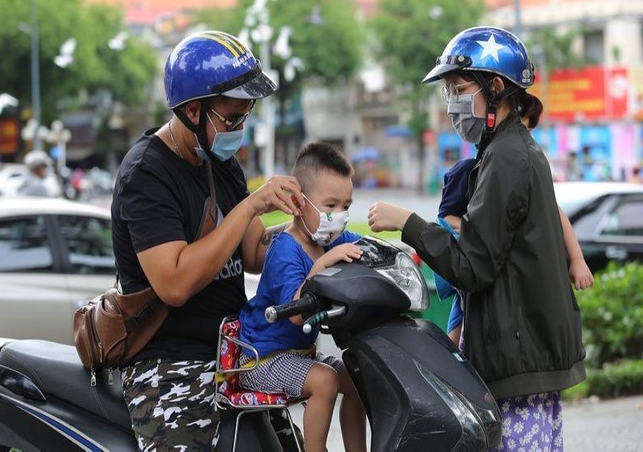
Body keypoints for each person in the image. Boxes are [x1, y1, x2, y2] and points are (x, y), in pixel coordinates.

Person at [367, 26, 586, 451]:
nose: (452, 104)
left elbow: (473, 267)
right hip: (518, 352)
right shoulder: (504, 151)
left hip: (519, 360)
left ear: (497, 87)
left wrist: (409, 222)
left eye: (460, 88)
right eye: (448, 92)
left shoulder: (507, 157)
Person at [112, 30, 305, 451]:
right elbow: (175, 283)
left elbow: (252, 253)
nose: (241, 128)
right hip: (168, 364)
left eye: (246, 116)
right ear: (193, 111)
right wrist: (250, 206)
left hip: (235, 351)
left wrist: (305, 233)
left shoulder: (221, 161)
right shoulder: (146, 174)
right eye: (233, 118)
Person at [238, 142, 367, 452]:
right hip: (262, 359)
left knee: (358, 377)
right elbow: (296, 312)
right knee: (325, 381)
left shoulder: (332, 239)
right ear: (298, 202)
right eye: (330, 205)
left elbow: (366, 251)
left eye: (346, 207)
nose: (339, 216)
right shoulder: (285, 250)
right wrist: (323, 264)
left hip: (299, 355)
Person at [436, 114, 594, 348]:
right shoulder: (471, 170)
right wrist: (474, 228)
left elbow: (557, 214)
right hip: (474, 268)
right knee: (460, 322)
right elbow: (445, 217)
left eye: (527, 133)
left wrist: (577, 259)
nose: (523, 141)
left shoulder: (525, 173)